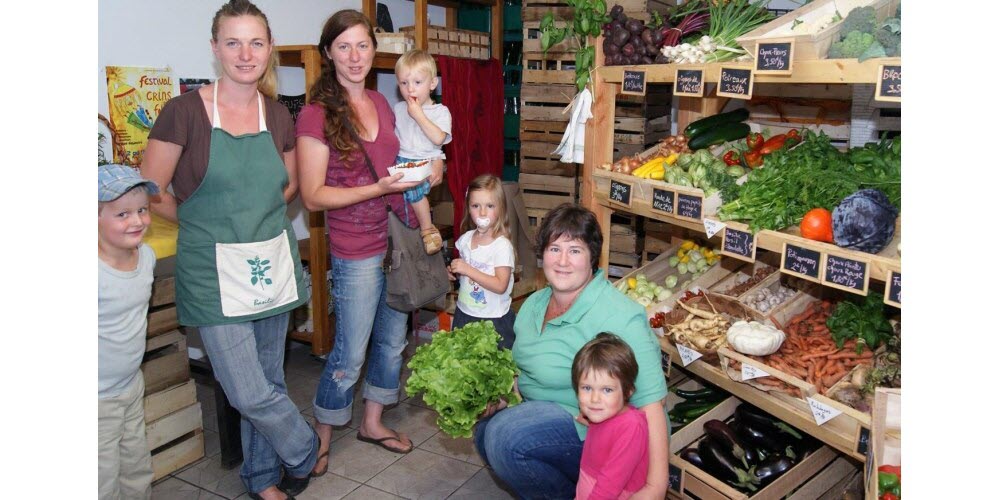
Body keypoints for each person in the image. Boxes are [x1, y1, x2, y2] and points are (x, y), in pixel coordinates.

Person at [140, 1, 317, 498]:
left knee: (268, 379)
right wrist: (201, 221)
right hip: (212, 267)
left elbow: (291, 183)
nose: (245, 53)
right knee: (246, 389)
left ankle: (262, 477)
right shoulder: (183, 112)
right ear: (216, 48)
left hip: (269, 261)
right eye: (233, 42)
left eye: (256, 42)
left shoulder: (278, 114)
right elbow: (150, 188)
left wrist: (258, 219)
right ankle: (303, 447)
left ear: (269, 49)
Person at [296, 9, 444, 471]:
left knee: (392, 341)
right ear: (328, 54)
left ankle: (373, 421)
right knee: (351, 348)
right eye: (344, 46)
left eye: (363, 45)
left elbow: (406, 160)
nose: (355, 55)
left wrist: (430, 169)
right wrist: (379, 188)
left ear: (373, 52)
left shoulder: (384, 105)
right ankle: (322, 431)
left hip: (395, 240)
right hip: (354, 248)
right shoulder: (316, 114)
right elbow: (313, 196)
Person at [473, 203, 669, 499]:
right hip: (550, 419)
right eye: (554, 249)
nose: (563, 261)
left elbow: (652, 405)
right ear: (542, 254)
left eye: (575, 250)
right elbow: (522, 375)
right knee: (484, 430)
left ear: (592, 256)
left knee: (505, 437)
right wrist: (501, 401)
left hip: (604, 437)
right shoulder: (533, 305)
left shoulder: (620, 316)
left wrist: (655, 486)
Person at [98, 164, 159, 500]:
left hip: (130, 385)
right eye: (122, 214)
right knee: (101, 479)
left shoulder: (146, 257)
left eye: (142, 210)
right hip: (96, 397)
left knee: (136, 469)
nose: (136, 221)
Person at [572, 333, 649, 500]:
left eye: (607, 390)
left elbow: (609, 487)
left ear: (628, 391)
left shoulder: (631, 427)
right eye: (586, 388)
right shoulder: (604, 413)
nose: (594, 399)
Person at [392, 48, 452, 254]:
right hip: (401, 159)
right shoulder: (398, 109)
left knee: (414, 190)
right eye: (404, 83)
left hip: (423, 162)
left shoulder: (440, 111)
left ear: (432, 84)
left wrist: (418, 115)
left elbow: (438, 139)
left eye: (417, 82)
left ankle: (428, 228)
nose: (410, 89)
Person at [447, 174, 516, 349]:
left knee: (493, 370)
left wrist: (468, 269)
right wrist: (453, 271)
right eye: (476, 206)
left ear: (500, 209)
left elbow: (501, 285)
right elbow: (464, 270)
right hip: (464, 313)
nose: (482, 212)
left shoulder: (502, 246)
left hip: (494, 319)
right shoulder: (465, 240)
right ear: (468, 209)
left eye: (490, 206)